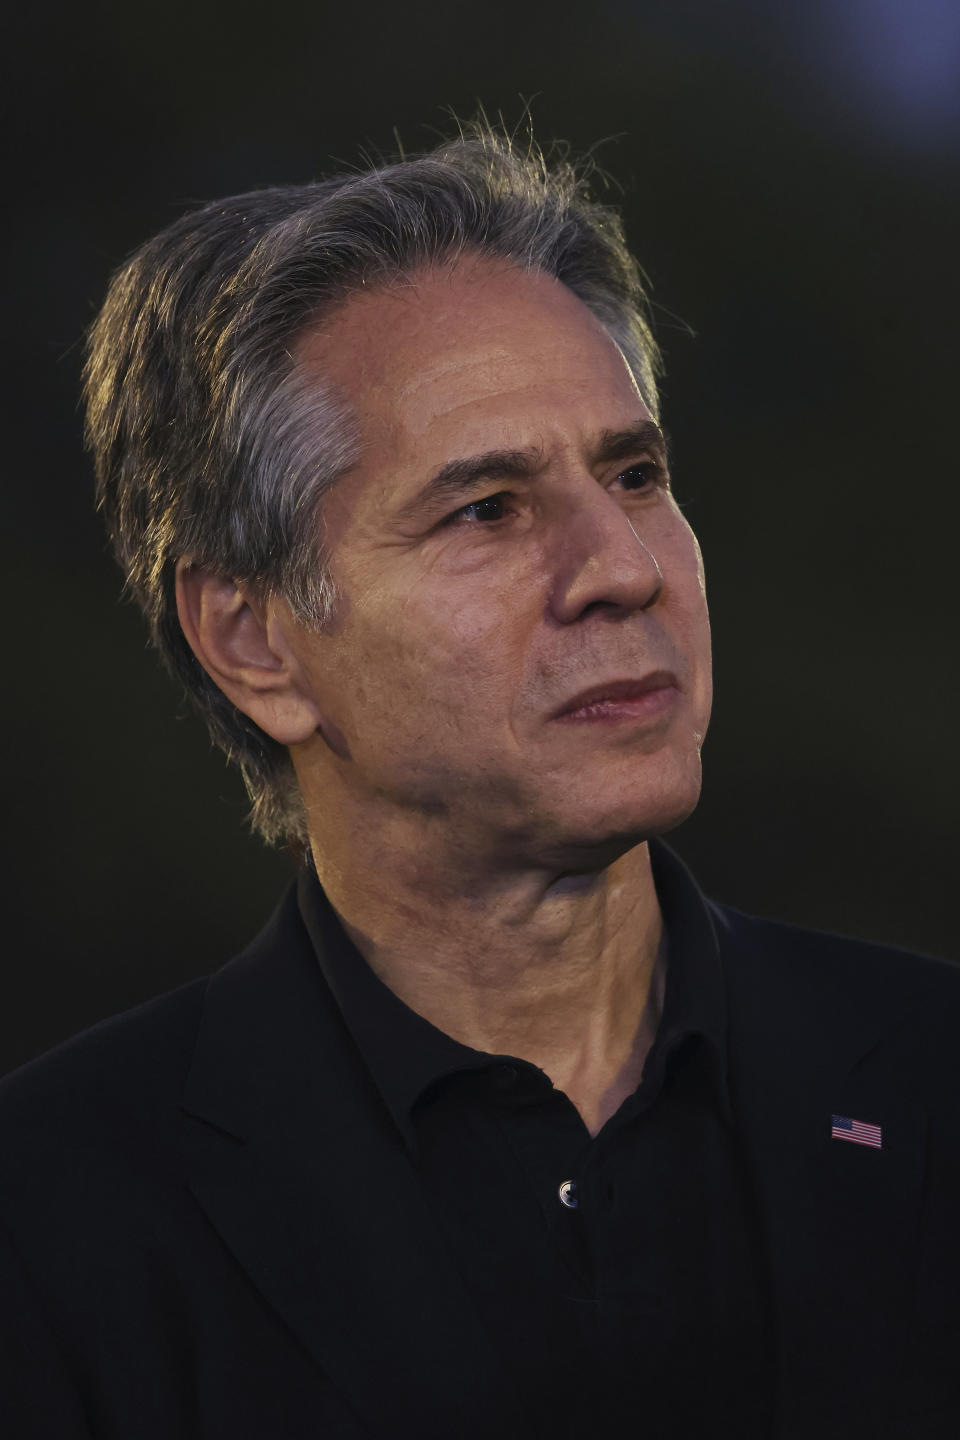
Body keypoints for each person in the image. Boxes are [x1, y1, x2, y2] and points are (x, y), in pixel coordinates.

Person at [1, 121, 957, 1440]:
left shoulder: (934, 1081)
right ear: (255, 640)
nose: (623, 566)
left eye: (635, 473)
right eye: (488, 509)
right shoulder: (52, 1225)